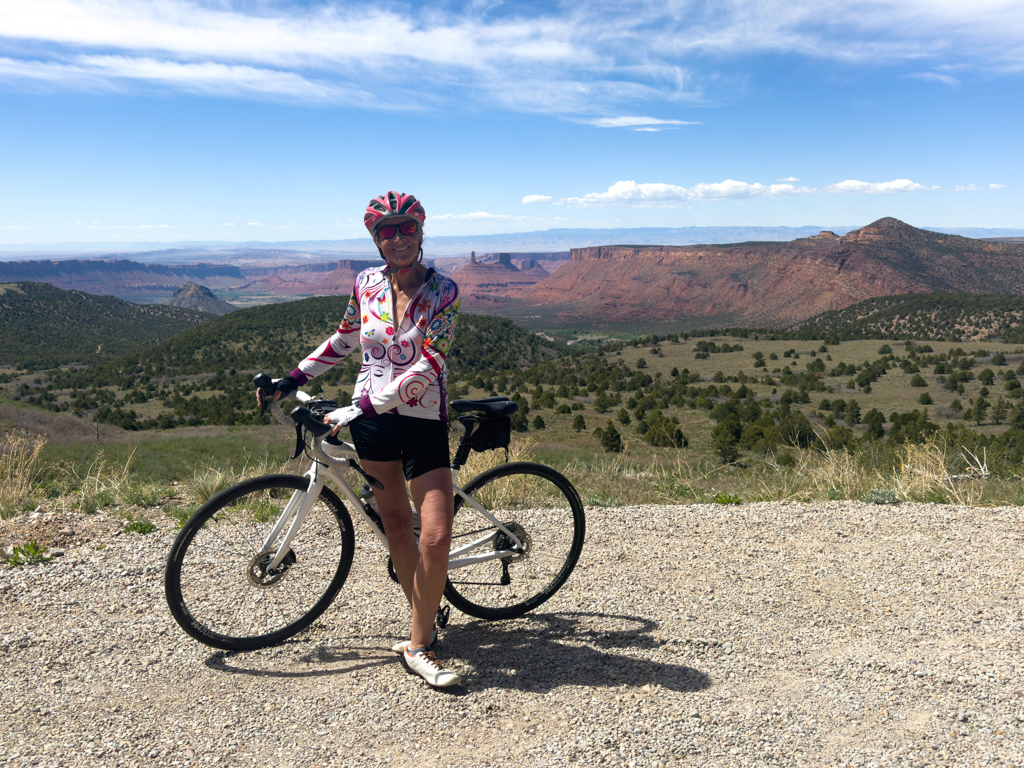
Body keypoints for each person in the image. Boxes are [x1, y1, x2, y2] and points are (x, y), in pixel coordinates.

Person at [257, 191, 462, 688]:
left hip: (420, 418)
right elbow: (345, 338)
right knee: (395, 525)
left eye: (405, 228)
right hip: (370, 421)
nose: (396, 239)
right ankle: (424, 634)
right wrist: (293, 379)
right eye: (385, 231)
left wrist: (364, 405)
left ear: (420, 231)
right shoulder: (365, 284)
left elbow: (430, 362)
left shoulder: (444, 291)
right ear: (375, 238)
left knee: (434, 534)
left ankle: (418, 646)